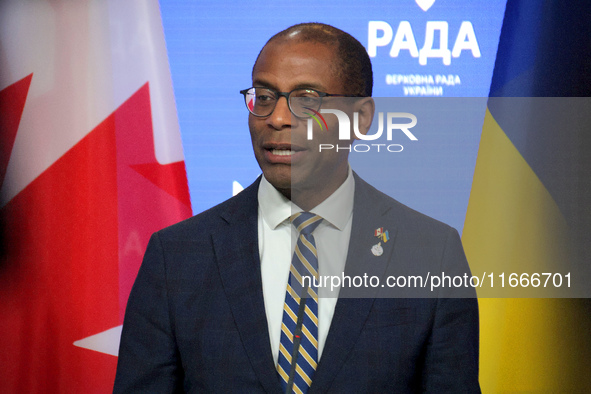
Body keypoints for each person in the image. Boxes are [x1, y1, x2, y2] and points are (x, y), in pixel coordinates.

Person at [114, 23, 480, 393]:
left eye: (307, 99)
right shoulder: (176, 256)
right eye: (264, 96)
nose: (276, 118)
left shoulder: (431, 254)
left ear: (361, 118)